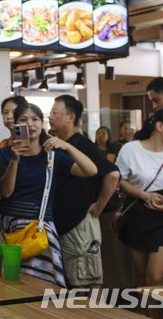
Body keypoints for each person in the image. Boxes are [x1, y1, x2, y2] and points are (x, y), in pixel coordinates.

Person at [0, 103, 97, 286]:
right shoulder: (5, 154)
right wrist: (14, 160)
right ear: (15, 126)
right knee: (6, 284)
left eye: (35, 119)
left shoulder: (52, 156)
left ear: (42, 124)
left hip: (40, 231)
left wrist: (66, 146)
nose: (31, 124)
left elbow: (91, 170)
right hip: (8, 227)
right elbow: (6, 191)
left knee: (40, 286)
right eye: (23, 120)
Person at [115, 108, 163, 319]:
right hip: (137, 215)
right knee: (142, 277)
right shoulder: (130, 149)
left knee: (156, 277)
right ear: (160, 126)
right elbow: (119, 179)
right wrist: (143, 194)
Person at [48, 95, 120, 288]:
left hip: (80, 224)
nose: (50, 116)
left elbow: (112, 175)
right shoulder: (55, 143)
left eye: (55, 112)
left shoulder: (81, 144)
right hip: (63, 223)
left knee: (85, 281)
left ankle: (94, 318)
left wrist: (98, 206)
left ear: (70, 117)